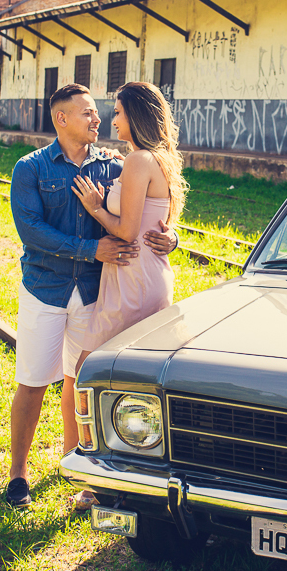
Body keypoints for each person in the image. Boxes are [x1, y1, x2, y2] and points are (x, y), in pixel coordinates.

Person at [5, 83, 176, 508]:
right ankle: (18, 475)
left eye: (101, 111)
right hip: (46, 289)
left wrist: (170, 236)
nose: (97, 118)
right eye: (86, 113)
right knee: (32, 381)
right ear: (61, 119)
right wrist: (89, 248)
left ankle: (76, 463)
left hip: (96, 290)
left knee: (79, 381)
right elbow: (32, 232)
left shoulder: (113, 166)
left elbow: (148, 203)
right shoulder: (31, 168)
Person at [68, 81, 187, 509]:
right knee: (138, 379)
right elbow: (157, 219)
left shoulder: (138, 161)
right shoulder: (152, 160)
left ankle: (93, 478)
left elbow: (127, 230)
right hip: (144, 275)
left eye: (116, 111)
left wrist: (95, 205)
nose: (111, 118)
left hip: (131, 278)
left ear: (133, 115)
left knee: (90, 370)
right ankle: (129, 477)